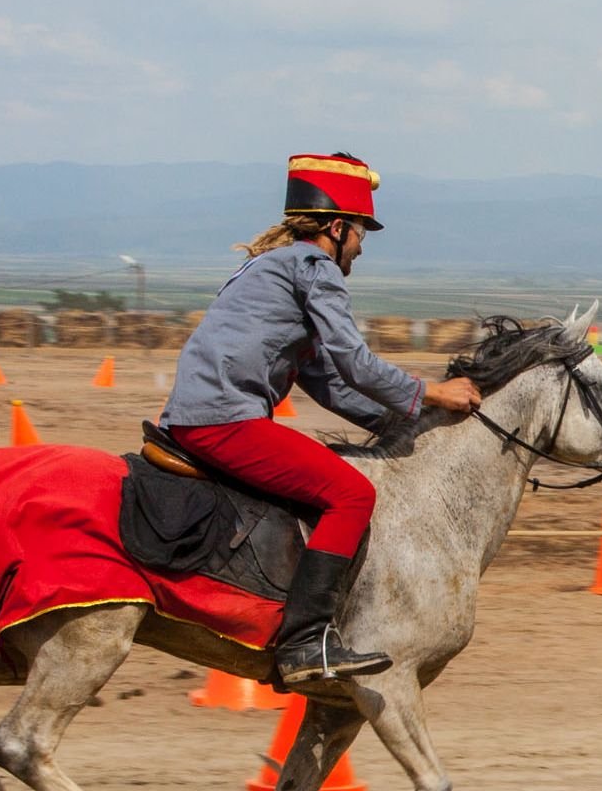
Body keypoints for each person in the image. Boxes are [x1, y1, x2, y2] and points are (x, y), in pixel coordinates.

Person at [160, 151, 482, 690]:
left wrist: (404, 425)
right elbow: (355, 362)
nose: (361, 248)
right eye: (360, 233)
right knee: (352, 494)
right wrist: (433, 392)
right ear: (336, 228)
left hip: (201, 415)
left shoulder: (273, 266)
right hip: (224, 420)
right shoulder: (316, 268)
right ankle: (306, 641)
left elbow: (325, 380)